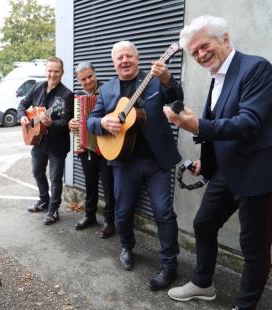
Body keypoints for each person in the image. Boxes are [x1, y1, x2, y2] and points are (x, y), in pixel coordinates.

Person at [164, 15, 272, 310]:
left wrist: (195, 124)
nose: (200, 55)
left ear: (225, 39)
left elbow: (248, 123)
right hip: (225, 172)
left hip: (257, 174)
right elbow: (220, 130)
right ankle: (203, 283)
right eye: (194, 52)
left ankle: (244, 306)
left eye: (203, 46)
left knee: (254, 247)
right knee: (203, 223)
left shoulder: (256, 68)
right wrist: (205, 163)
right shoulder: (217, 76)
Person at [87, 41, 183, 291]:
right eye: (119, 58)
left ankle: (169, 265)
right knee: (123, 211)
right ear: (114, 63)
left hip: (156, 161)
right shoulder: (106, 90)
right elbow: (90, 121)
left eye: (129, 56)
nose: (124, 61)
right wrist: (103, 123)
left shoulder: (154, 80)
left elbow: (176, 100)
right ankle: (127, 247)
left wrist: (168, 80)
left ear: (137, 59)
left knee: (163, 212)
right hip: (123, 161)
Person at [17, 56, 74, 225]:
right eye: (50, 71)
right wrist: (22, 118)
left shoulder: (67, 95)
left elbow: (67, 122)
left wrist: (51, 124)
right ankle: (44, 200)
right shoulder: (37, 87)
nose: (52, 74)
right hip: (38, 140)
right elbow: (22, 104)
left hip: (57, 143)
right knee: (37, 172)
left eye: (56, 71)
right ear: (46, 71)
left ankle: (53, 209)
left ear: (62, 73)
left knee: (55, 178)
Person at [68, 62, 116, 238]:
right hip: (86, 147)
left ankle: (110, 222)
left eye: (90, 76)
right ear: (78, 80)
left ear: (95, 74)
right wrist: (71, 124)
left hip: (107, 147)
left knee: (109, 186)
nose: (88, 81)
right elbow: (73, 121)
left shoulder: (109, 91)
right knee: (90, 184)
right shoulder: (78, 99)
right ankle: (89, 216)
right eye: (83, 79)